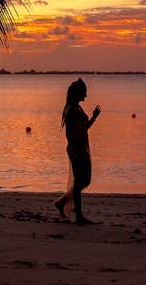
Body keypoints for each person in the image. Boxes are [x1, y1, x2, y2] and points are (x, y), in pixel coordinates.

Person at [53, 78, 101, 224]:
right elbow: (68, 134)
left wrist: (94, 117)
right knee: (80, 180)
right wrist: (75, 151)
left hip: (82, 148)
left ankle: (62, 203)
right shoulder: (72, 110)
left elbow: (85, 128)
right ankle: (78, 215)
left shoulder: (78, 108)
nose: (85, 96)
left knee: (84, 180)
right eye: (83, 93)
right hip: (76, 149)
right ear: (77, 93)